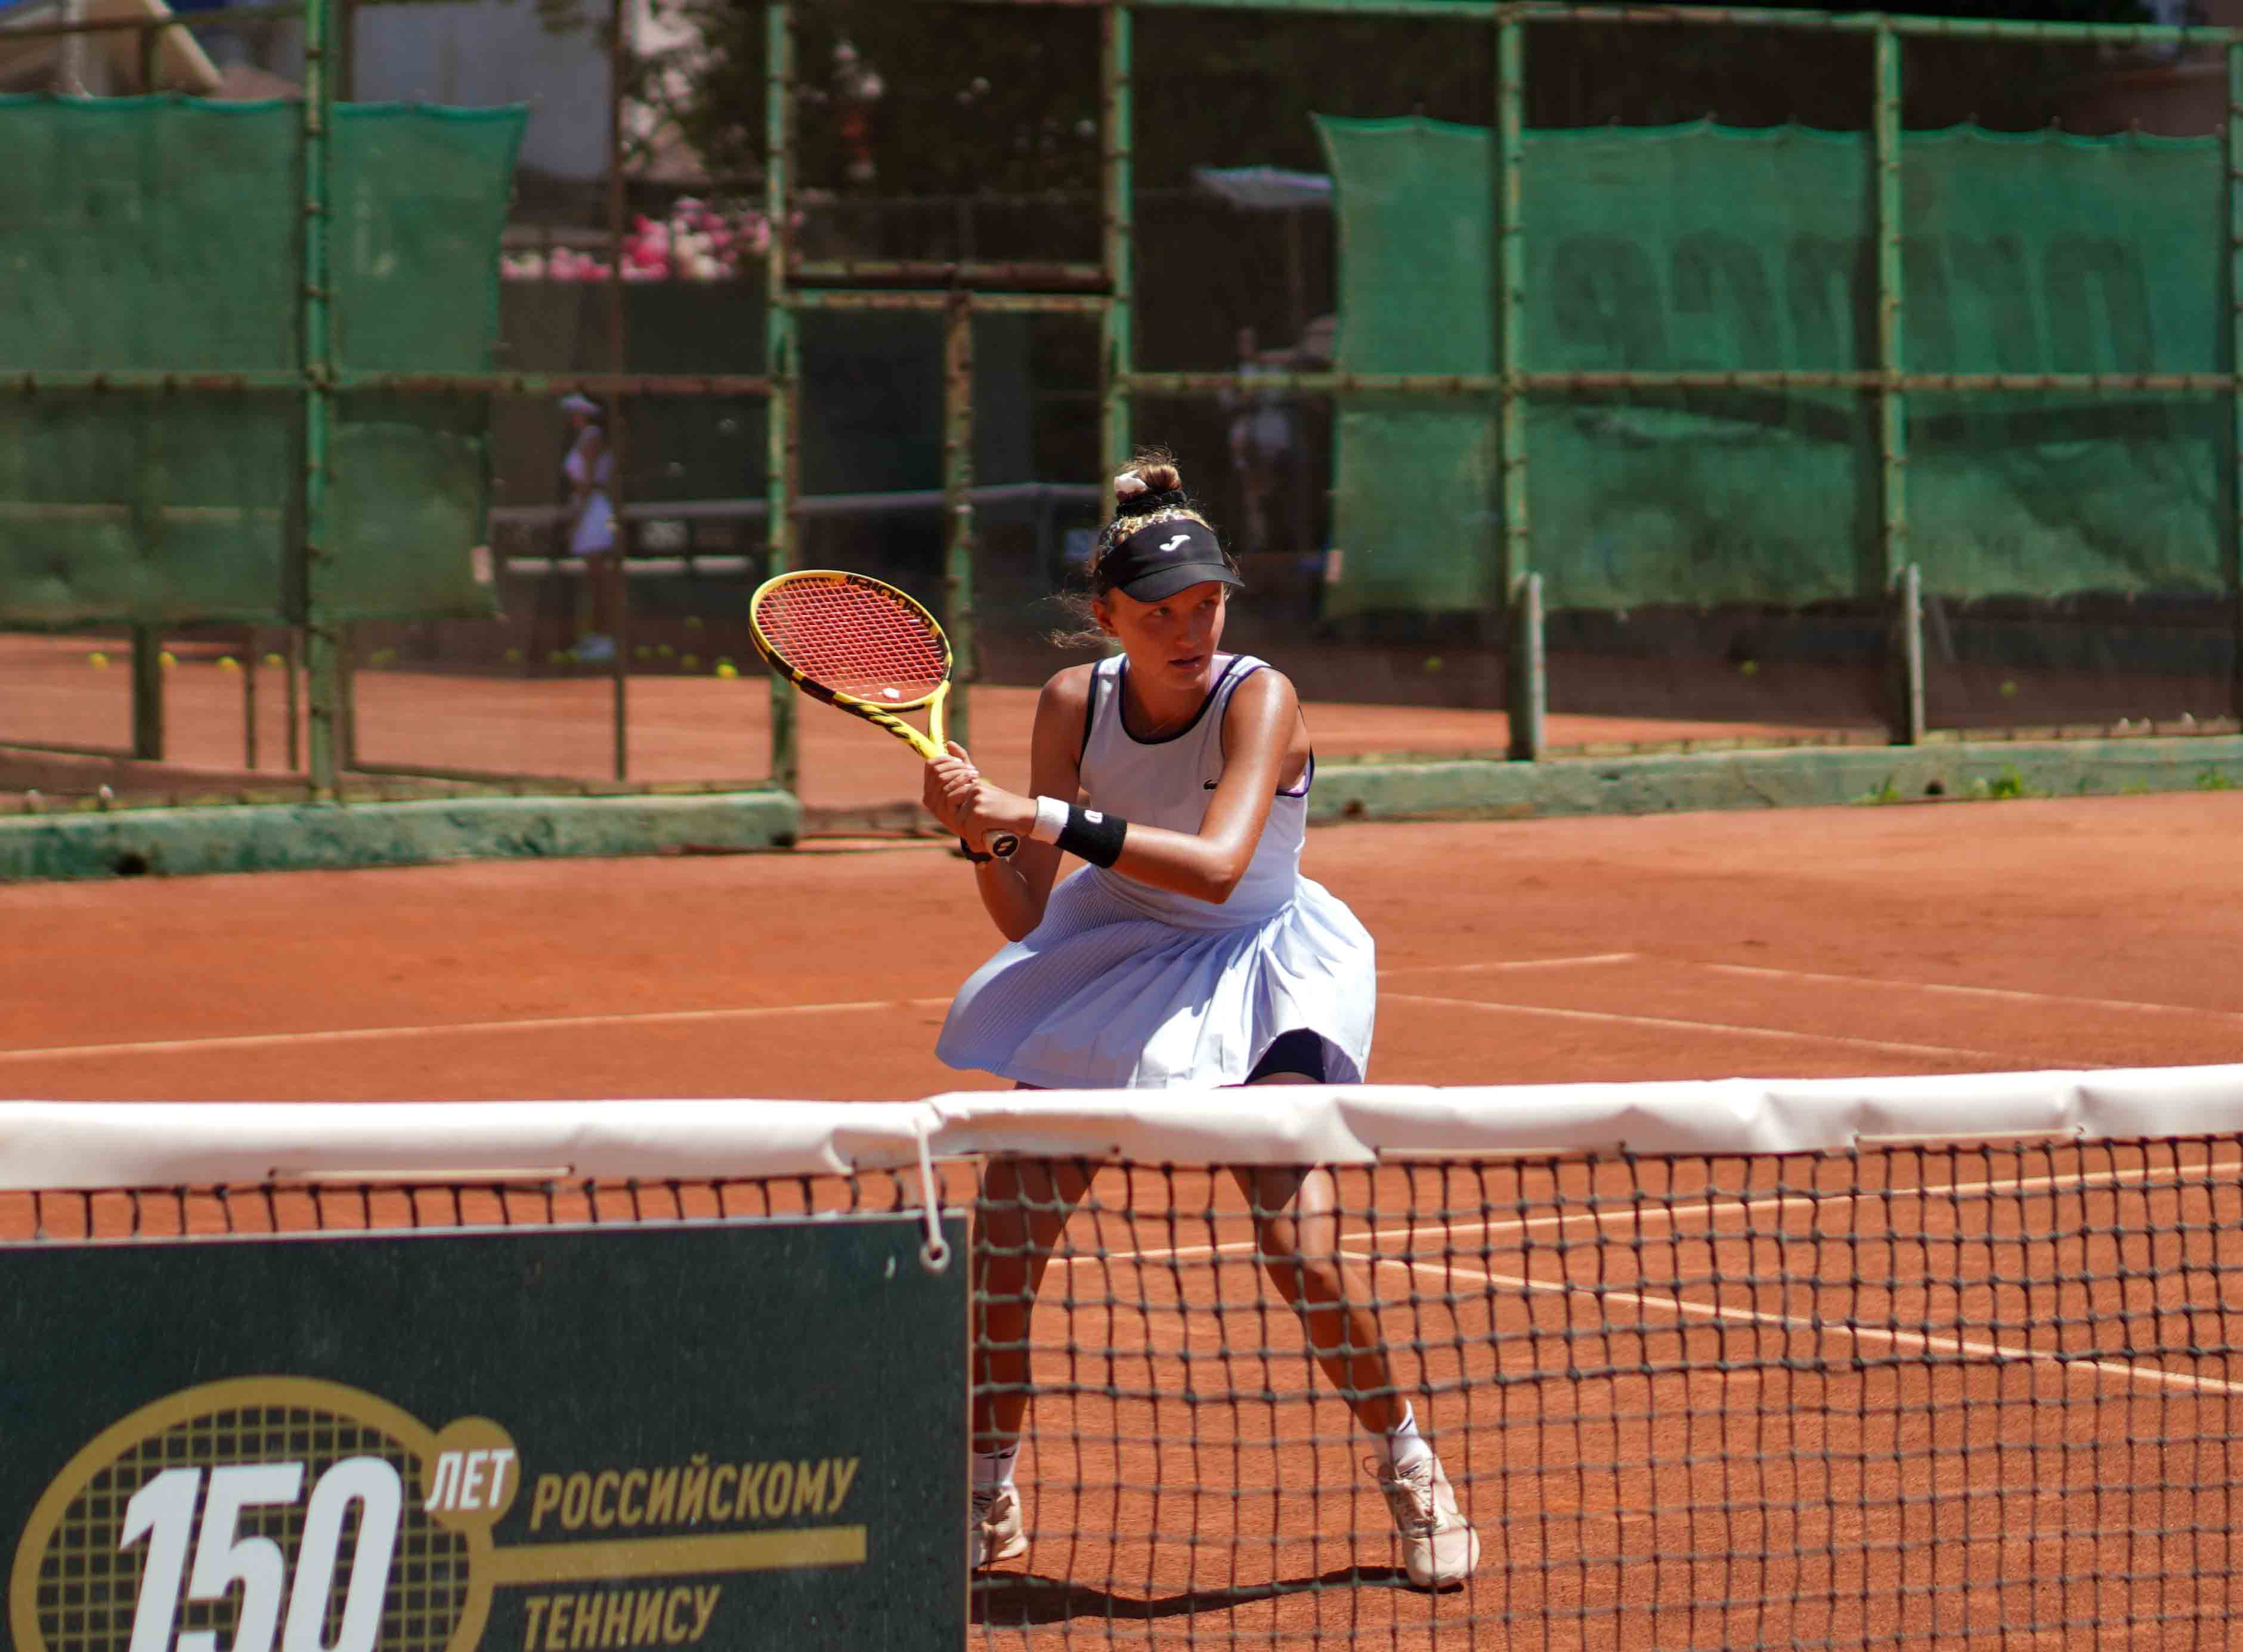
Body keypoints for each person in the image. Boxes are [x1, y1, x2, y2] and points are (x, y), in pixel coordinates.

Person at [920, 453, 1481, 1592]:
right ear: (1107, 616)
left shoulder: (1259, 697)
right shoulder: (1071, 704)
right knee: (1006, 1245)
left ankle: (1410, 1464)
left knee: (1296, 1245)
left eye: (1206, 605)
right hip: (1117, 955)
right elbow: (1024, 912)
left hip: (1268, 966)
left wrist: (1036, 814)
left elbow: (1222, 867)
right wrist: (979, 837)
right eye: (1161, 613)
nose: (1189, 630)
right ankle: (986, 1491)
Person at [559, 393, 618, 663]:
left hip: (593, 511)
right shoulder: (585, 437)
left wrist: (576, 520)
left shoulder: (592, 436)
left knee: (599, 580)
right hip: (587, 509)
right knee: (593, 580)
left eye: (576, 410)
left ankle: (606, 639)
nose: (571, 416)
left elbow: (587, 483)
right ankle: (597, 636)